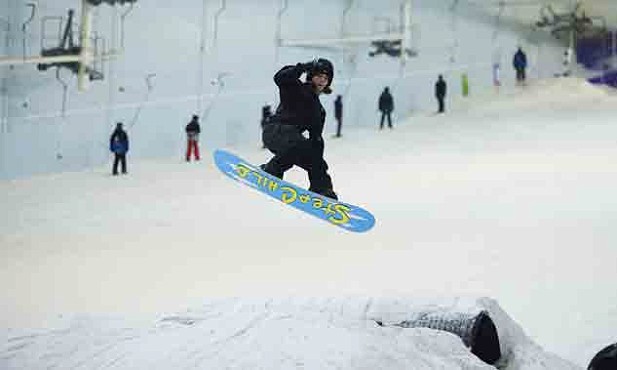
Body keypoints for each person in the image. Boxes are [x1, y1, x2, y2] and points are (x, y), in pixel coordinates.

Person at [260, 58, 338, 200]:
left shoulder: (319, 111)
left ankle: (321, 190)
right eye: (319, 76)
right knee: (298, 143)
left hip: (292, 143)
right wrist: (303, 67)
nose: (322, 81)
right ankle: (271, 170)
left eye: (326, 78)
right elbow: (280, 77)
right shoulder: (297, 88)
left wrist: (318, 165)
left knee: (314, 157)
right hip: (274, 132)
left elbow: (316, 140)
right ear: (311, 76)